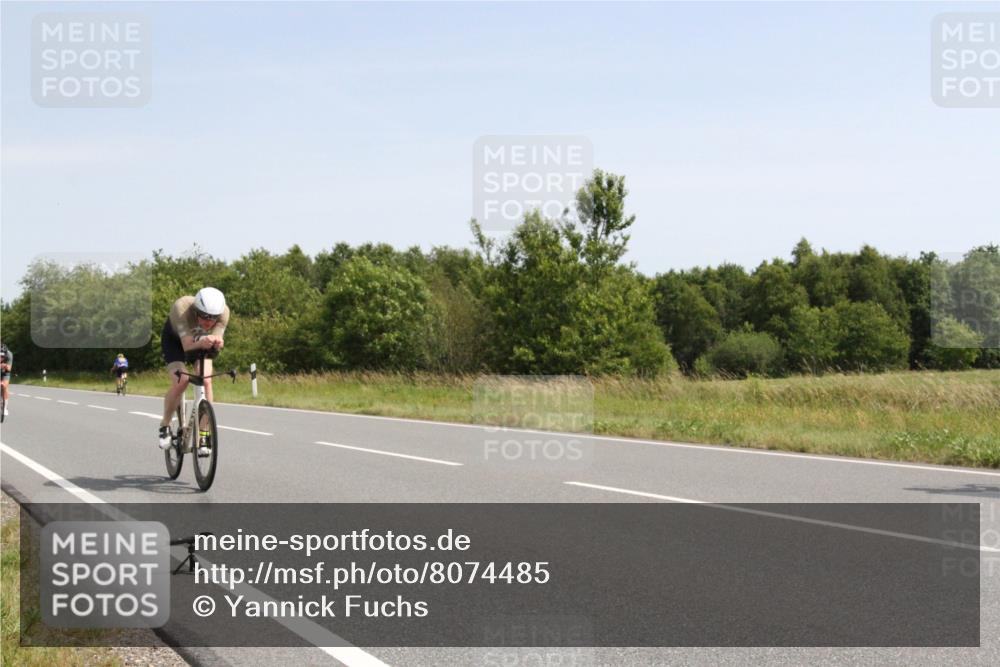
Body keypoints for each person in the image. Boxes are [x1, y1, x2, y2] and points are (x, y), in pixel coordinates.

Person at [158, 287, 229, 454]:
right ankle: (165, 425)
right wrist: (205, 338)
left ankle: (204, 434)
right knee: (181, 380)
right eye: (204, 317)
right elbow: (187, 345)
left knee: (206, 380)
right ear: (196, 310)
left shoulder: (224, 312)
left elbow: (218, 338)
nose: (208, 322)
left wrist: (218, 342)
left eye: (213, 319)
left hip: (202, 343)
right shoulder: (181, 307)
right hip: (176, 341)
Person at [0, 341, 12, 417]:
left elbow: (9, 368)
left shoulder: (9, 355)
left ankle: (5, 408)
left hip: (5, 372)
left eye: (2, 357)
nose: (0, 358)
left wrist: (5, 366)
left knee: (5, 386)